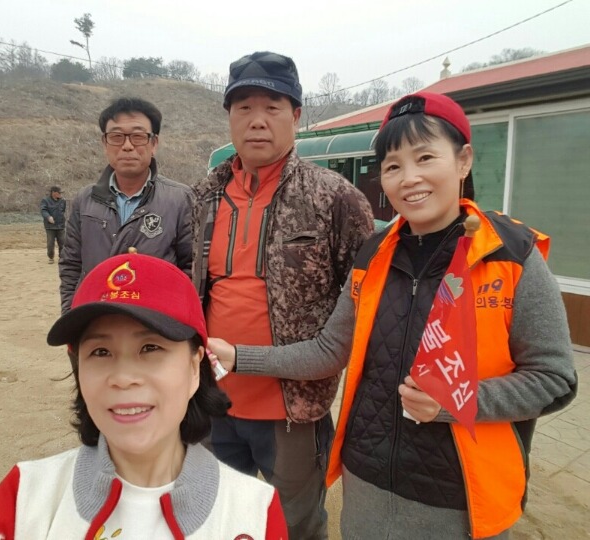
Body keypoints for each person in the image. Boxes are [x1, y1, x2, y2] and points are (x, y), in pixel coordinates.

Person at [208, 92, 578, 539]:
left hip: (460, 495)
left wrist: (456, 401)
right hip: (368, 481)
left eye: (425, 158)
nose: (410, 178)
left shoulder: (510, 256)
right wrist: (238, 356)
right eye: (393, 166)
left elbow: (554, 379)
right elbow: (328, 351)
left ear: (463, 161)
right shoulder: (374, 255)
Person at [0, 252, 288, 540]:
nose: (123, 378)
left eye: (150, 348)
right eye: (100, 351)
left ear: (194, 368)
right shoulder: (22, 499)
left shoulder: (254, 514)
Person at [190, 51, 374, 540]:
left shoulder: (335, 198)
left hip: (292, 411)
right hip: (211, 403)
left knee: (295, 525)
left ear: (296, 116)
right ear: (229, 117)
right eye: (244, 108)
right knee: (216, 518)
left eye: (272, 107)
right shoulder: (202, 198)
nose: (257, 121)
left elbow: (365, 301)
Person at [59, 97, 193, 314]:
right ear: (105, 144)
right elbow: (71, 267)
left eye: (138, 137)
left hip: (155, 321)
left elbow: (191, 268)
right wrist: (71, 317)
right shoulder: (85, 200)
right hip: (96, 317)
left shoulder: (180, 199)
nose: (128, 146)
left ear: (154, 144)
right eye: (117, 137)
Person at [40, 186, 66, 264]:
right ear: (54, 193)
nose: (61, 194)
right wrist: (48, 217)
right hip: (50, 226)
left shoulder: (63, 201)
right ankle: (51, 257)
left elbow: (63, 211)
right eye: (59, 193)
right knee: (50, 243)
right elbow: (43, 210)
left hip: (61, 225)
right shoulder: (45, 200)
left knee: (62, 242)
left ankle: (62, 257)